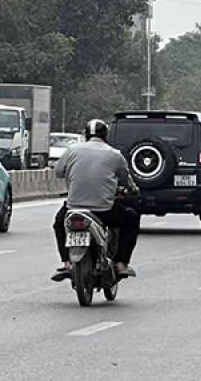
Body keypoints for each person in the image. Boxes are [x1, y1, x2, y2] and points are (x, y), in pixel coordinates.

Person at [51, 119, 139, 281]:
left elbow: (58, 172)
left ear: (85, 136)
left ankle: (66, 262)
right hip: (103, 209)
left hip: (73, 207)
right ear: (106, 136)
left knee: (59, 224)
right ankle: (121, 264)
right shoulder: (114, 154)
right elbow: (126, 179)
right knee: (131, 219)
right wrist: (132, 190)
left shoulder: (72, 150)